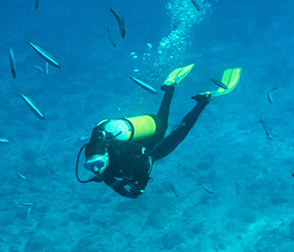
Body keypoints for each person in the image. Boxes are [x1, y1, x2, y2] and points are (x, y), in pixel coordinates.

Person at [78, 65, 240, 198]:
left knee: (178, 133)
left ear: (104, 155)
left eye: (97, 164)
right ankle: (170, 88)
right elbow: (111, 181)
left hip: (146, 152)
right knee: (161, 125)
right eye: (90, 167)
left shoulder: (116, 156)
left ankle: (203, 101)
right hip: (133, 140)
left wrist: (139, 187)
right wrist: (127, 192)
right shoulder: (102, 160)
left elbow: (145, 164)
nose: (96, 169)